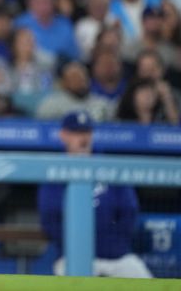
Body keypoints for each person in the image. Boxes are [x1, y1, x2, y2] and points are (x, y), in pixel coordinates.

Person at [38, 111, 153, 278]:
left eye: (87, 133)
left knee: (147, 282)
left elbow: (129, 211)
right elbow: (49, 218)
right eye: (77, 133)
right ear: (63, 135)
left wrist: (111, 244)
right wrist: (76, 247)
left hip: (117, 257)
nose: (83, 138)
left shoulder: (110, 167)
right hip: (71, 257)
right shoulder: (54, 171)